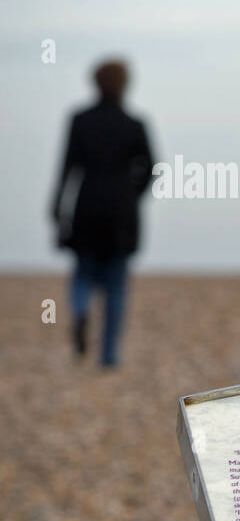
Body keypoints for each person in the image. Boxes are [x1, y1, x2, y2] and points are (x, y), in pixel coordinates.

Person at [50, 59, 156, 368]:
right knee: (116, 285)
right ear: (125, 84)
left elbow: (67, 168)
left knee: (83, 272)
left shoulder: (80, 120)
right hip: (121, 212)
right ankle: (109, 356)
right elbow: (151, 167)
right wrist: (133, 193)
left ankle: (81, 309)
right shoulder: (134, 125)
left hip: (87, 207)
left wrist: (57, 207)